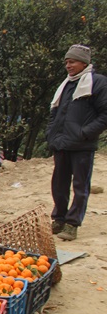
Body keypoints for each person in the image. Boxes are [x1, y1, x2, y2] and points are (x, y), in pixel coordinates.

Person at [46, 44, 107, 241]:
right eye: (66, 62)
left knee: (80, 185)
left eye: (72, 62)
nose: (68, 66)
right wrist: (51, 133)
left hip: (82, 145)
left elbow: (104, 115)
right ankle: (59, 218)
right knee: (59, 184)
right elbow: (55, 112)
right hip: (62, 143)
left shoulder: (97, 83)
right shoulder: (66, 84)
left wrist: (85, 133)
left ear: (84, 62)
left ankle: (73, 223)